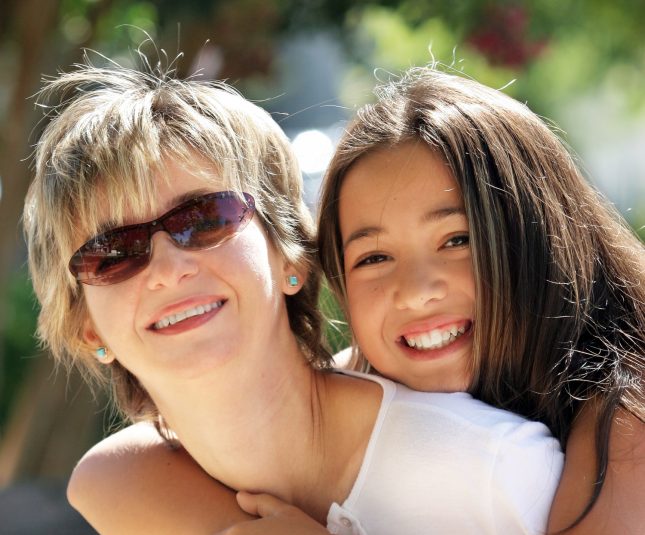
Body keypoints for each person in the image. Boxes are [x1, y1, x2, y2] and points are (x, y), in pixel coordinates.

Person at [24, 57, 562, 535]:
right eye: (113, 251)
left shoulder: (496, 470)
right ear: (86, 329)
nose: (167, 268)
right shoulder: (124, 492)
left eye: (203, 218)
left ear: (290, 256)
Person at [316, 67, 645, 533]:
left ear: (543, 238)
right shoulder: (346, 384)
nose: (415, 292)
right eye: (374, 257)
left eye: (456, 240)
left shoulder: (628, 420)